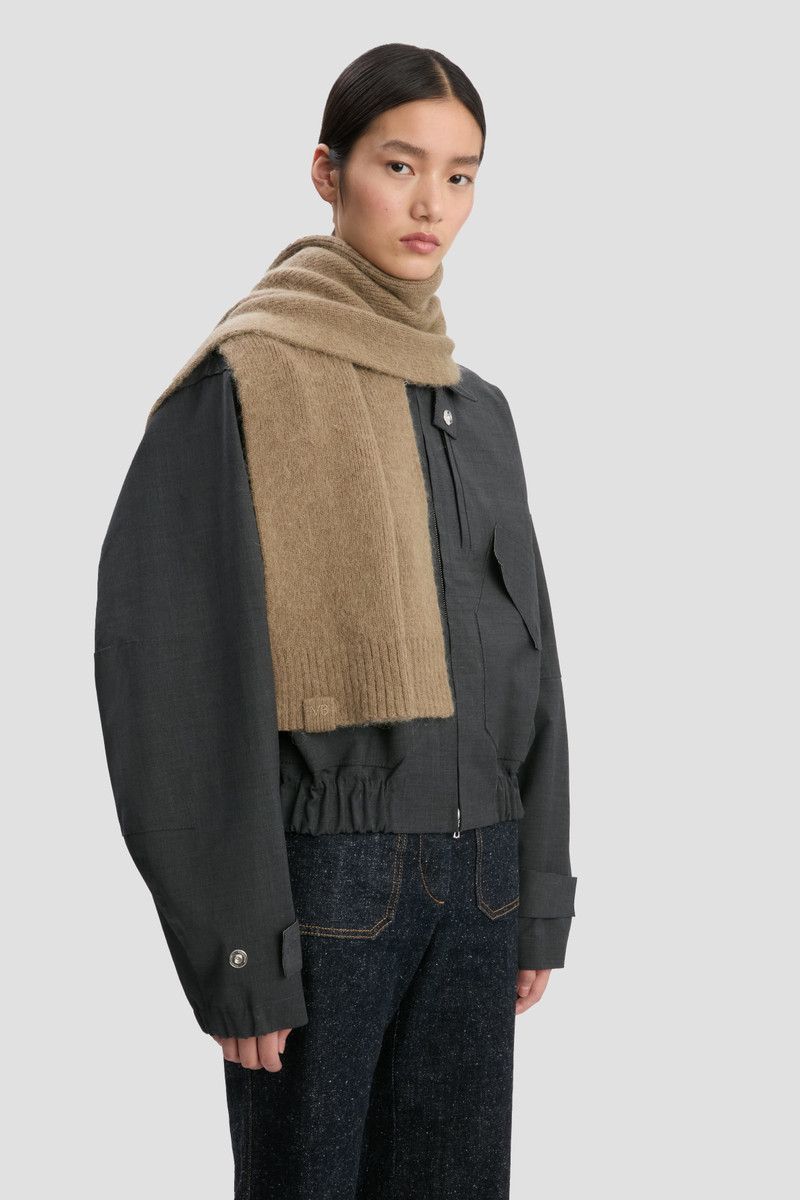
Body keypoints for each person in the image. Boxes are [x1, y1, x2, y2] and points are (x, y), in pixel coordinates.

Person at [94, 42, 577, 1200]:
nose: (430, 204)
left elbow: (534, 667)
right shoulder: (239, 387)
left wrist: (536, 894)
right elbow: (169, 681)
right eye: (398, 165)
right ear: (327, 171)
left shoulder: (476, 412)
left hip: (482, 879)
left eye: (459, 175)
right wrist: (235, 946)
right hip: (327, 890)